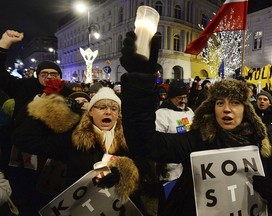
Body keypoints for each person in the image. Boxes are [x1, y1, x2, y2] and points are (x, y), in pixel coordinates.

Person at [119, 31, 272, 216]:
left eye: (235, 102)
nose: (226, 109)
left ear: (246, 110)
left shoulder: (257, 145)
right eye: (220, 103)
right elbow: (145, 143)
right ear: (213, 108)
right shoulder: (197, 141)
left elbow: (265, 204)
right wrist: (140, 82)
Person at [11, 86, 139, 214]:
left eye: (114, 108)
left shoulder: (128, 139)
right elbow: (24, 139)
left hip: (111, 209)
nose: (108, 112)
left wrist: (123, 173)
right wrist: (51, 108)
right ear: (90, 112)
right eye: (102, 107)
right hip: (78, 208)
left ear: (118, 114)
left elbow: (143, 172)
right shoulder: (73, 138)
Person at [0, 30, 63, 121]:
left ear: (60, 76)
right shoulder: (24, 88)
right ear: (37, 76)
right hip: (23, 132)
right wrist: (3, 45)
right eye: (44, 73)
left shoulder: (67, 93)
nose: (49, 76)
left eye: (53, 74)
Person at [155, 79, 194, 213]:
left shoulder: (190, 112)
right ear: (171, 97)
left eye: (185, 97)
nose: (183, 101)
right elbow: (157, 143)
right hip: (171, 175)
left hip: (189, 173)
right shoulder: (161, 114)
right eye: (179, 98)